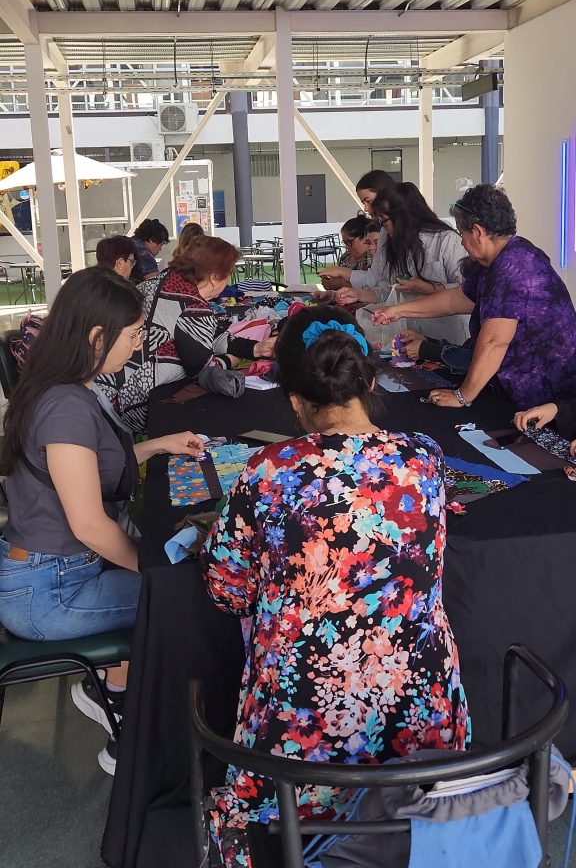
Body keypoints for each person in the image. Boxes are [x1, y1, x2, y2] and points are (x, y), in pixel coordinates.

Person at [202, 305, 470, 868]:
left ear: (296, 400)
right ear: (369, 383)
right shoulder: (424, 457)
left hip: (301, 726)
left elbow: (226, 591)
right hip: (419, 715)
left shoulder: (268, 471)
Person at [0, 267, 203, 772]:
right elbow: (90, 524)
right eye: (133, 335)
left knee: (173, 583)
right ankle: (128, 739)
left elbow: (81, 471)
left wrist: (157, 445)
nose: (137, 346)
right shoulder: (65, 406)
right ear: (97, 336)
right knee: (184, 596)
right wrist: (154, 569)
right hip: (49, 592)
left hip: (51, 572)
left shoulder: (63, 387)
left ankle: (112, 687)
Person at [374, 185, 576, 410]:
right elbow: (457, 299)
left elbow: (494, 341)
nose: (461, 242)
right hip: (517, 386)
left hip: (545, 391)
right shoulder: (496, 260)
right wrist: (397, 310)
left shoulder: (514, 266)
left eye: (462, 233)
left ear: (478, 232)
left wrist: (462, 396)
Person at [99, 236, 275, 432]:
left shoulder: (164, 281)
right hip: (130, 406)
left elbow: (210, 333)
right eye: (229, 274)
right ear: (214, 277)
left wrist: (255, 349)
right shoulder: (193, 306)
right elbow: (203, 370)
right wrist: (232, 359)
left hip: (102, 388)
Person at [336, 181, 469, 345]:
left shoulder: (446, 241)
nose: (383, 228)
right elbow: (385, 291)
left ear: (404, 216)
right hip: (410, 337)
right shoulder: (391, 244)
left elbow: (466, 293)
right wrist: (358, 294)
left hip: (449, 338)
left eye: (384, 221)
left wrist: (430, 288)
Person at [319, 170, 394, 290]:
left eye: (368, 201)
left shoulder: (420, 234)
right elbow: (375, 282)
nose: (366, 209)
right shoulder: (385, 232)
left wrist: (342, 275)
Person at [131, 218, 169, 282]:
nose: (160, 249)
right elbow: (155, 283)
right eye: (161, 245)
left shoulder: (128, 243)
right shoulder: (144, 254)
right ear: (152, 239)